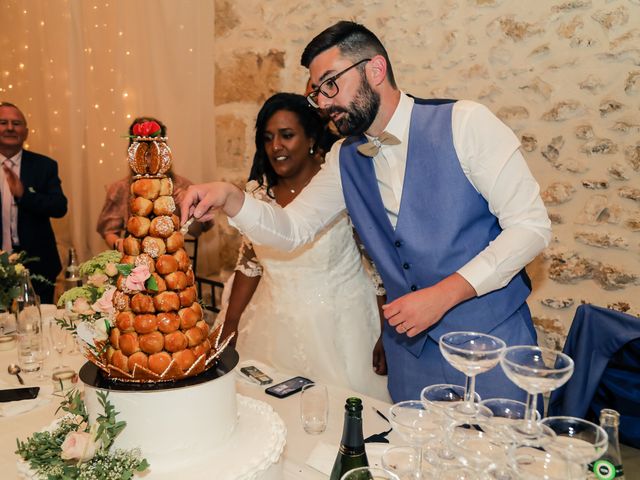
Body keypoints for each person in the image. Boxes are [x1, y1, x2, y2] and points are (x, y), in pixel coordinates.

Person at [181, 21, 552, 402]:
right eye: (317, 94)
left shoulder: (466, 123)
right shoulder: (344, 157)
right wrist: (230, 198)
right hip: (410, 357)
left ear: (375, 70)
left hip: (490, 347)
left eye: (330, 84)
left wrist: (442, 295)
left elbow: (530, 228)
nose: (322, 103)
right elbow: (292, 229)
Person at [219, 92, 389, 401]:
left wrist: (387, 333)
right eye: (268, 138)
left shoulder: (338, 185)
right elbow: (250, 262)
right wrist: (231, 322)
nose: (276, 147)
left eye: (287, 136)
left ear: (311, 137)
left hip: (342, 328)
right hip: (273, 326)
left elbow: (378, 264)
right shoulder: (258, 195)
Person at [97, 116, 212, 253]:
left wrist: (186, 208)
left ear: (163, 151)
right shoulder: (120, 189)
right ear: (132, 153)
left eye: (153, 150)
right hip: (135, 258)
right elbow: (108, 230)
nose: (148, 157)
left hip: (170, 258)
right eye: (142, 151)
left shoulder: (183, 186)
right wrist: (118, 244)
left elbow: (196, 231)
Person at [0, 102, 68, 304]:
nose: (10, 128)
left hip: (38, 265)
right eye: (3, 122)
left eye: (16, 123)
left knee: (38, 324)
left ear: (26, 132)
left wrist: (24, 195)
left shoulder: (44, 166)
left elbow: (59, 207)